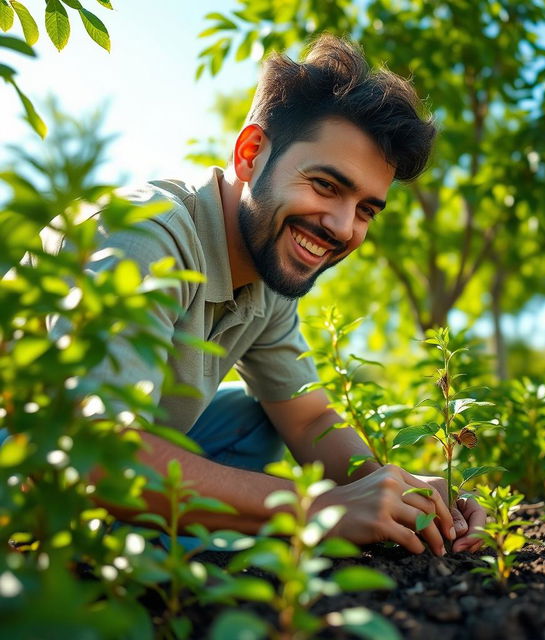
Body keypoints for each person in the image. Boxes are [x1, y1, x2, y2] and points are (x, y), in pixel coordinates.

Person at [46, 35, 485, 555]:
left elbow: (310, 418)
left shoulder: (267, 268)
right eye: (325, 185)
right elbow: (93, 453)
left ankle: (148, 534)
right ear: (251, 153)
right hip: (32, 464)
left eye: (367, 209)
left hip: (111, 457)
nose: (343, 228)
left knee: (254, 421)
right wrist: (318, 511)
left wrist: (395, 493)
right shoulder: (144, 237)